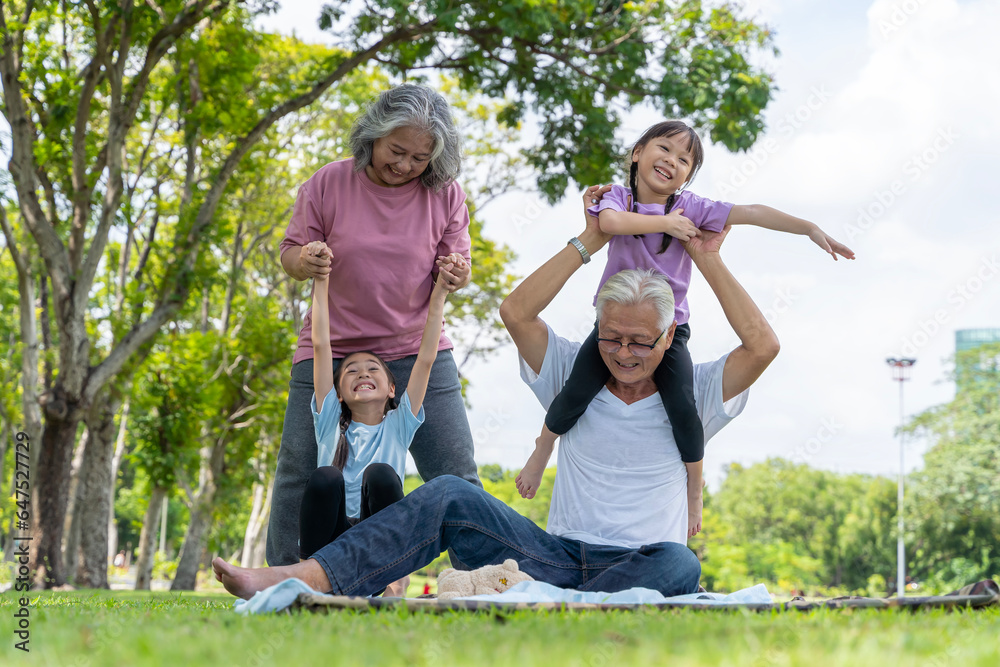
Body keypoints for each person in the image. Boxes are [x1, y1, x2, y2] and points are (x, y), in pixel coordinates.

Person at [214, 188, 778, 600]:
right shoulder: (569, 372)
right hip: (550, 557)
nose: (624, 353)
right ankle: (304, 578)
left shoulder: (697, 390)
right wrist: (592, 238)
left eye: (640, 342)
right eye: (610, 338)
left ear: (668, 337)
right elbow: (516, 311)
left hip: (642, 563)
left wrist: (707, 256)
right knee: (451, 491)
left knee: (680, 563)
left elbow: (761, 345)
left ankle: (566, 601)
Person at [515, 121, 853, 541]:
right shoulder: (618, 200)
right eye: (664, 149)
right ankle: (542, 447)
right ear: (637, 153)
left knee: (683, 412)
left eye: (684, 160)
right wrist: (666, 226)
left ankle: (696, 487)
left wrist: (807, 227)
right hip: (612, 321)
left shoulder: (689, 207)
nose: (671, 162)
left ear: (688, 177)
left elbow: (751, 213)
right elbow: (612, 225)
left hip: (671, 327)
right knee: (574, 393)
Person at [267, 84, 481, 567]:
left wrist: (457, 271)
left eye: (421, 157)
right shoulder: (329, 183)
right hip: (332, 347)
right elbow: (290, 253)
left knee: (454, 472)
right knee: (302, 472)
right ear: (372, 136)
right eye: (397, 151)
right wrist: (307, 258)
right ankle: (284, 581)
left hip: (412, 348)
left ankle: (484, 577)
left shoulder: (445, 196)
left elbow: (457, 264)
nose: (406, 166)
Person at [297, 240, 463, 596]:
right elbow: (322, 345)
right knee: (326, 476)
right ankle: (309, 577)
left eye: (372, 369)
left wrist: (438, 295)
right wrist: (321, 279)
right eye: (352, 371)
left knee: (382, 475)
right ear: (339, 393)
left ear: (391, 389)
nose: (362, 373)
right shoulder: (329, 422)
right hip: (332, 539)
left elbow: (426, 359)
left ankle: (390, 580)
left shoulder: (399, 424)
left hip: (379, 539)